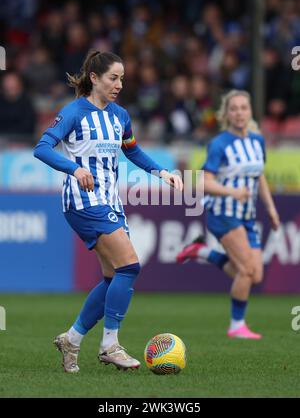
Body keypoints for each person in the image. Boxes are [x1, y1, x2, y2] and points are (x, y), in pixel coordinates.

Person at [34, 50, 183, 373]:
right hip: (83, 200)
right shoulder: (74, 113)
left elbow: (133, 151)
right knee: (129, 266)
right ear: (95, 78)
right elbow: (42, 148)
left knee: (113, 276)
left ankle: (72, 339)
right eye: (113, 78)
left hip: (110, 201)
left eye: (122, 79)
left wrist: (162, 172)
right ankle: (109, 345)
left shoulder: (120, 116)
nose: (119, 85)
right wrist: (74, 169)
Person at [176, 89, 280, 340]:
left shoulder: (257, 141)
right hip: (223, 212)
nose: (239, 113)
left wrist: (271, 209)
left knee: (255, 274)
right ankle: (236, 325)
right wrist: (231, 192)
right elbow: (201, 182)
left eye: (244, 108)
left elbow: (259, 176)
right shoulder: (220, 143)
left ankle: (199, 251)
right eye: (234, 109)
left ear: (250, 111)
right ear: (226, 114)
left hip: (246, 214)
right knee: (245, 270)